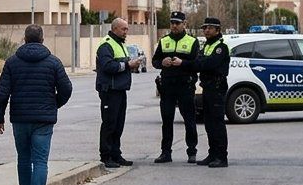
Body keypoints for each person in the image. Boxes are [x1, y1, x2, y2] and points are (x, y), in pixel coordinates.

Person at [0, 25, 72, 185]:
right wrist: (54, 104)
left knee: (24, 159)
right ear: (42, 39)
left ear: (25, 39)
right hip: (44, 119)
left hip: (20, 118)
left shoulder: (12, 62)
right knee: (40, 161)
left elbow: (2, 92)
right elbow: (66, 89)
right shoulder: (54, 62)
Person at [151, 11, 200, 163]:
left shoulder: (192, 41)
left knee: (189, 120)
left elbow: (197, 64)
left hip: (185, 86)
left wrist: (183, 63)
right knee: (167, 120)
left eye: (177, 23)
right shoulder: (164, 40)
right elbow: (155, 61)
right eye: (172, 22)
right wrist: (162, 63)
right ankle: (166, 152)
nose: (174, 26)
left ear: (184, 24)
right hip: (167, 87)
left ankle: (192, 151)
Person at [95, 17, 142, 169]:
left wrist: (131, 65)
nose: (126, 32)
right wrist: (128, 64)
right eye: (123, 29)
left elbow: (121, 65)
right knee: (110, 123)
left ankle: (116, 154)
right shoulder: (106, 44)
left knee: (118, 124)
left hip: (120, 89)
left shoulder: (120, 44)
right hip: (110, 90)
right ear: (115, 29)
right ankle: (106, 155)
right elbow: (108, 66)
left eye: (126, 29)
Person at [186, 16, 231, 168]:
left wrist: (200, 64)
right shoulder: (207, 46)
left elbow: (209, 63)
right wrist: (199, 64)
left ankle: (221, 157)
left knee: (217, 123)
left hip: (217, 87)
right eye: (204, 28)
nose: (206, 30)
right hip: (207, 87)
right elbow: (199, 62)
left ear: (217, 30)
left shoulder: (220, 47)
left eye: (209, 28)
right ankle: (212, 154)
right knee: (209, 123)